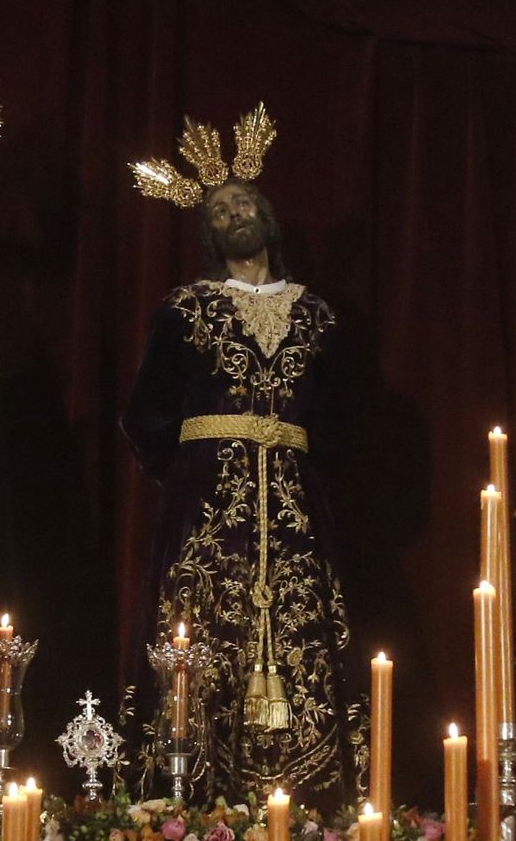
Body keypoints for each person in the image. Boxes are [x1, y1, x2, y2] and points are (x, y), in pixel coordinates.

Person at [123, 105, 360, 803]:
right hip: (206, 505)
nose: (233, 213)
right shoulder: (184, 307)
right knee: (201, 628)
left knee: (300, 629)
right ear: (207, 231)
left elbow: (340, 417)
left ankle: (306, 792)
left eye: (243, 202)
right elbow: (143, 414)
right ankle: (189, 789)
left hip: (291, 502)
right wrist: (197, 468)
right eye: (219, 208)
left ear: (267, 217)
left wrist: (300, 465)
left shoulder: (317, 316)